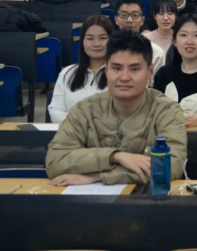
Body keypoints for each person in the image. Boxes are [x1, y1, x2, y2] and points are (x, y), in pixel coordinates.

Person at [46, 30, 187, 186]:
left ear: (150, 72)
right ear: (106, 70)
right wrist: (115, 156)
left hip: (149, 198)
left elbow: (171, 166)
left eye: (134, 69)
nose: (124, 77)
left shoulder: (166, 110)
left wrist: (100, 176)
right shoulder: (85, 110)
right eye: (117, 68)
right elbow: (55, 161)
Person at [49, 15, 113, 123]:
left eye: (102, 38)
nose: (96, 44)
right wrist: (78, 125)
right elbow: (55, 110)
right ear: (82, 41)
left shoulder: (121, 75)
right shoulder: (67, 73)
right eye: (90, 38)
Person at [115, 0, 164, 79]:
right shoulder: (106, 49)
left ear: (142, 20)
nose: (129, 20)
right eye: (124, 15)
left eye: (135, 15)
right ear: (116, 20)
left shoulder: (156, 53)